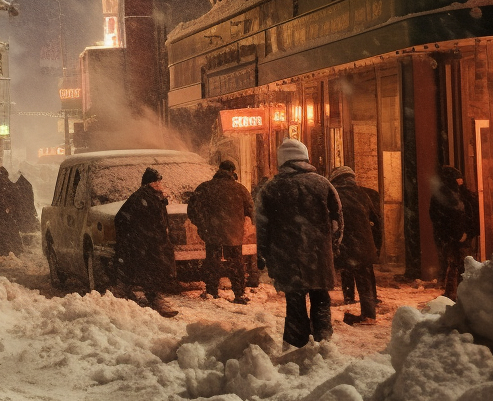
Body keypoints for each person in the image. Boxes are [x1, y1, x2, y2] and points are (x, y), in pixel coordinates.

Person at [256, 138, 343, 348]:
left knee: (294, 302)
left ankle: (296, 344)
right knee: (320, 298)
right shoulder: (323, 184)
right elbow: (338, 219)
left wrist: (263, 254)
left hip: (287, 257)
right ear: (305, 157)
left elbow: (262, 227)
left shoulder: (271, 188)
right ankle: (323, 341)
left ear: (282, 161)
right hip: (318, 256)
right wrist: (333, 245)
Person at [187, 159, 253, 304]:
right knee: (236, 262)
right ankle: (239, 293)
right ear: (233, 172)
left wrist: (202, 225)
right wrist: (243, 224)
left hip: (212, 232)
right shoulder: (240, 189)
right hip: (234, 233)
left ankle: (211, 291)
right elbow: (251, 210)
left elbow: (192, 209)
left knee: (212, 261)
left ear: (218, 170)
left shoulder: (205, 187)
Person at [114, 167, 178, 317]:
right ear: (149, 183)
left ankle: (144, 296)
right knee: (150, 270)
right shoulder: (140, 198)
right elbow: (121, 218)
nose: (159, 184)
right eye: (156, 182)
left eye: (159, 181)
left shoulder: (155, 197)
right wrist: (137, 235)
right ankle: (154, 299)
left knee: (151, 270)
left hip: (153, 241)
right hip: (146, 242)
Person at [327, 165, 383, 325]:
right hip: (363, 244)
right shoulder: (363, 194)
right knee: (364, 277)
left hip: (343, 243)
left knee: (343, 272)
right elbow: (376, 222)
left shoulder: (333, 195)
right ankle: (369, 314)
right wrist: (376, 244)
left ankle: (347, 299)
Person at [430, 165, 477, 300]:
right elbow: (458, 215)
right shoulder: (458, 195)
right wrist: (463, 233)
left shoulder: (447, 195)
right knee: (458, 263)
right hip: (456, 235)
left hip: (452, 235)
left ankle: (454, 293)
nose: (461, 180)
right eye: (458, 178)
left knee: (455, 263)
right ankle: (458, 293)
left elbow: (438, 216)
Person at [14, 172, 37, 237]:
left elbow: (17, 198)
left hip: (22, 208)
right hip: (27, 208)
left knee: (23, 223)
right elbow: (31, 198)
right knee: (28, 223)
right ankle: (29, 236)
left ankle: (25, 235)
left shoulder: (17, 186)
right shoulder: (28, 185)